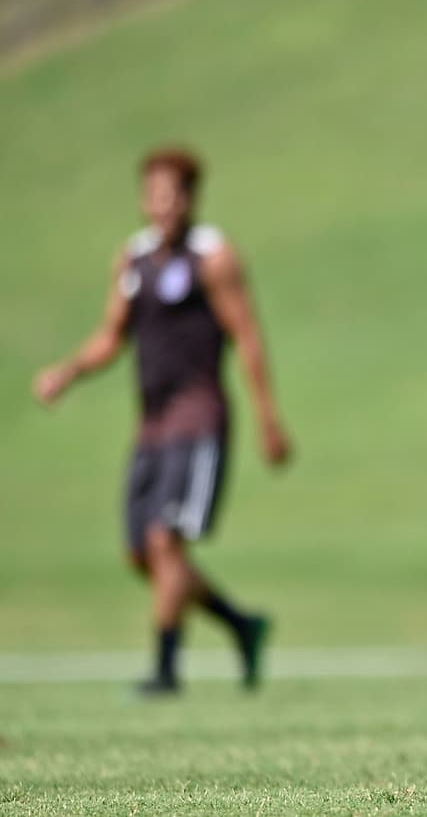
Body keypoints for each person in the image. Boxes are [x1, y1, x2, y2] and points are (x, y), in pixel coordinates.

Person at [32, 147, 290, 696]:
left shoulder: (213, 258)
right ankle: (242, 626)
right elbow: (111, 336)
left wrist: (269, 417)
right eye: (153, 194)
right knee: (139, 553)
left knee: (165, 541)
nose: (162, 205)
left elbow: (247, 335)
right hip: (150, 424)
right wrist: (69, 371)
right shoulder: (133, 259)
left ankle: (166, 670)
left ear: (192, 198)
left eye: (172, 194)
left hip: (198, 417)